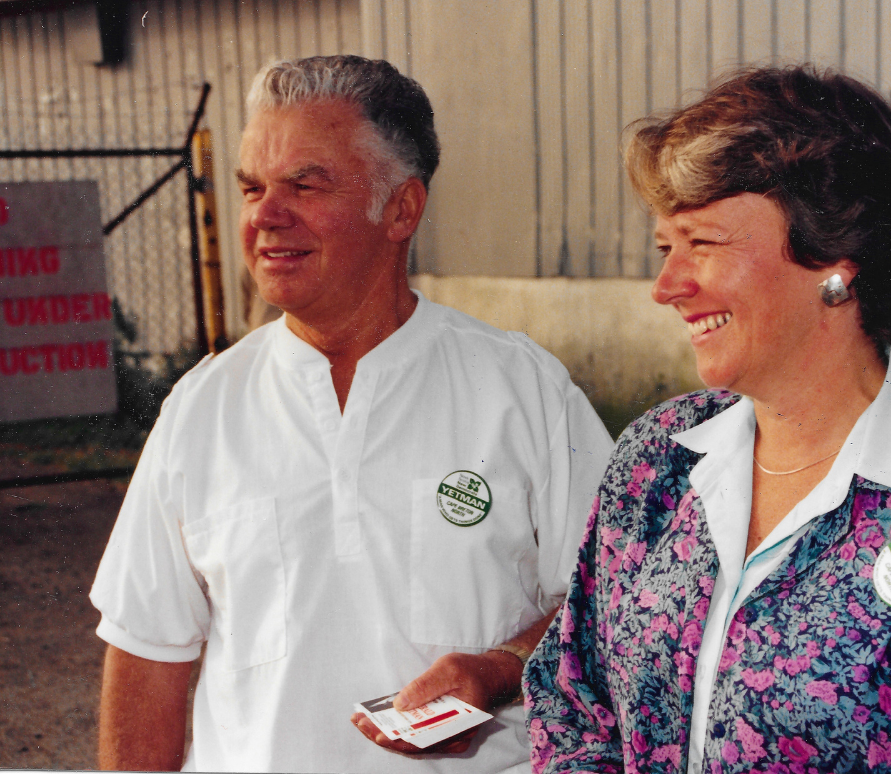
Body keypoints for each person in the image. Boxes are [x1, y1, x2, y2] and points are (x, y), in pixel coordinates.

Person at [90, 55, 614, 773]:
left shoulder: (522, 390)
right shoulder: (202, 409)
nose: (265, 217)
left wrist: (501, 667)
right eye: (251, 189)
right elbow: (147, 654)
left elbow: (613, 604)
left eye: (304, 186)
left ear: (401, 208)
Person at [524, 65, 891, 773]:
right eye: (666, 247)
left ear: (834, 257)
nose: (665, 287)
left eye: (703, 243)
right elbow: (572, 699)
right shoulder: (659, 456)